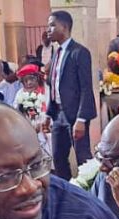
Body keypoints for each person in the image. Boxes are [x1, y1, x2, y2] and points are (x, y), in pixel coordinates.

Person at [45, 10, 97, 179]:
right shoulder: (56, 53)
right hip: (58, 114)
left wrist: (81, 119)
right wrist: (48, 113)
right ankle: (67, 191)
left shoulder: (79, 52)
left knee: (83, 157)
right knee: (58, 158)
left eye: (52, 25)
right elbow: (53, 84)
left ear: (65, 27)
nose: (48, 29)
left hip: (75, 114)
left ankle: (91, 192)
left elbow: (86, 88)